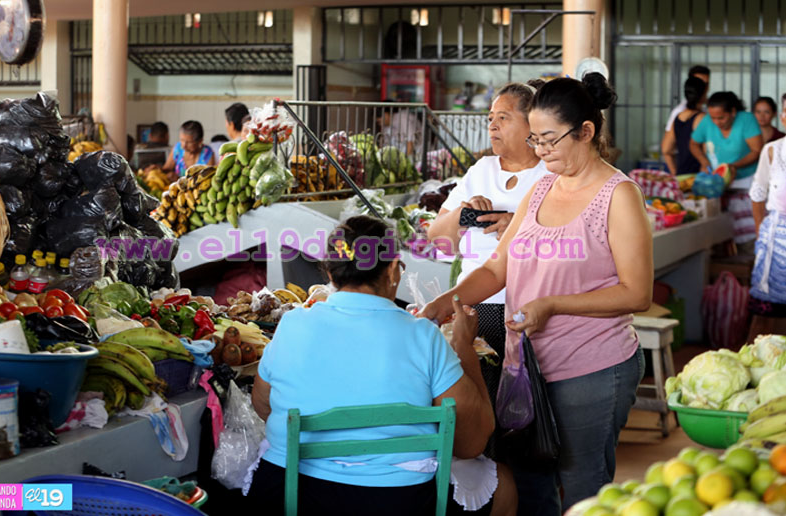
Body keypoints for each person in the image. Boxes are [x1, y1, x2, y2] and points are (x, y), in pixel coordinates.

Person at [420, 73, 650, 515]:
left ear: (586, 131)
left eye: (549, 140)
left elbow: (636, 292)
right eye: (536, 141)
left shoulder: (617, 195)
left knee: (582, 488)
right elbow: (495, 267)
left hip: (592, 367)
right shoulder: (543, 186)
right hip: (524, 365)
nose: (541, 151)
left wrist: (553, 305)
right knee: (529, 482)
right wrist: (443, 305)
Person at [249, 216, 517, 516]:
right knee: (504, 484)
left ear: (330, 272)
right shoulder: (423, 336)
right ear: (392, 270)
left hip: (289, 494)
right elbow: (472, 443)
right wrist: (464, 346)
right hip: (393, 503)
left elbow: (262, 404)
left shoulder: (292, 325)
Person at [426, 80, 550, 456]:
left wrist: (516, 228)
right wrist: (464, 217)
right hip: (473, 309)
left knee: (526, 421)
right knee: (481, 411)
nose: (492, 126)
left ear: (532, 124)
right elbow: (437, 237)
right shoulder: (481, 170)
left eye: (503, 118)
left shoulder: (550, 174)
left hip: (527, 310)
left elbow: (564, 247)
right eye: (490, 118)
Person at [690, 92, 763, 252]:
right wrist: (704, 162)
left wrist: (734, 166)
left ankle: (749, 259)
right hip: (715, 182)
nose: (716, 122)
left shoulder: (746, 120)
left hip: (745, 182)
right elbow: (694, 143)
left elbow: (757, 150)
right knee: (717, 228)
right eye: (713, 118)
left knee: (747, 230)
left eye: (721, 118)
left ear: (733, 112)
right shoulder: (707, 121)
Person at [748, 93, 786, 339]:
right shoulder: (772, 151)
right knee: (768, 317)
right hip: (776, 244)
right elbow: (757, 194)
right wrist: (761, 231)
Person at [661, 77, 707, 176]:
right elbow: (707, 150)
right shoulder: (703, 118)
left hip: (682, 175)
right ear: (704, 94)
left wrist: (675, 173)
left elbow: (666, 150)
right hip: (700, 176)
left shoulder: (678, 117)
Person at [664, 65, 710, 134]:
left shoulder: (711, 108)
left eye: (706, 84)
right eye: (699, 83)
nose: (704, 88)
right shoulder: (679, 111)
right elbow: (669, 141)